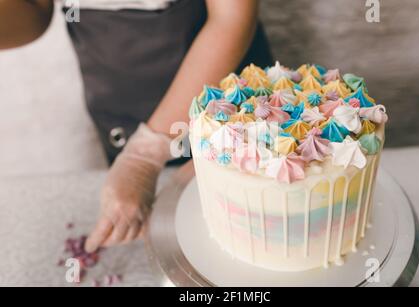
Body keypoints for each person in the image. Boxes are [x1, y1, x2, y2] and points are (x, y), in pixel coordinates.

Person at [0, 0, 273, 253]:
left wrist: (143, 157)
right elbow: (36, 12)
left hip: (223, 84)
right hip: (117, 92)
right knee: (176, 237)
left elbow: (231, 17)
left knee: (245, 229)